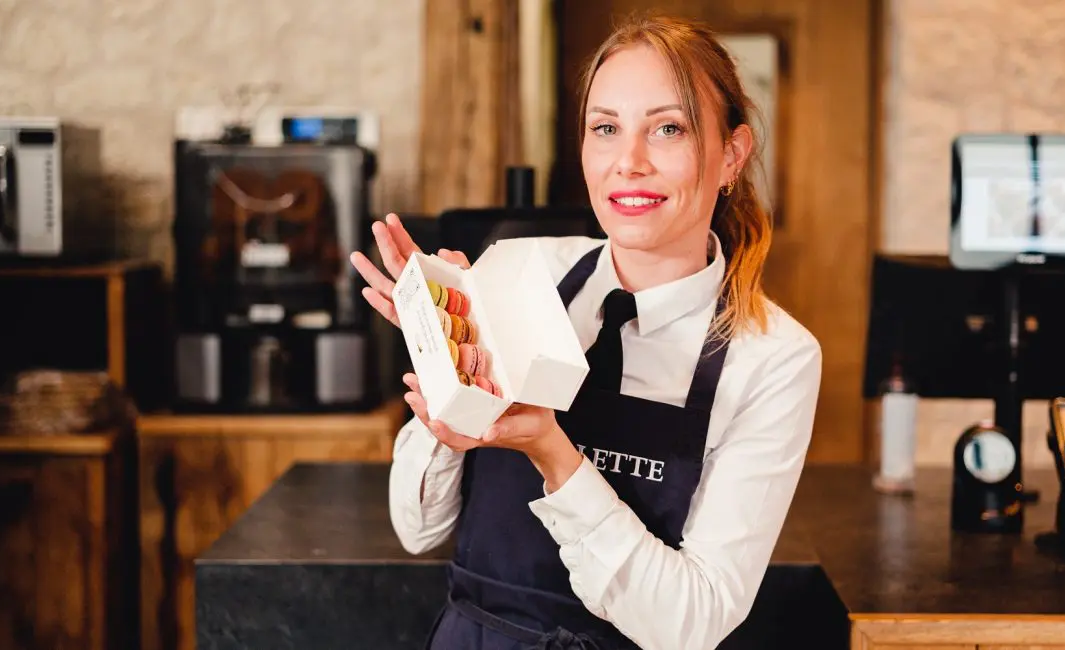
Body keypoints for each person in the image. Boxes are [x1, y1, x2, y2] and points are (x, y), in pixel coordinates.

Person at [349, 14, 822, 650]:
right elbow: (417, 530)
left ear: (731, 155)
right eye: (606, 128)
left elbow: (692, 623)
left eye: (668, 128)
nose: (629, 162)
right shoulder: (521, 271)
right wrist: (448, 371)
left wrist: (553, 452)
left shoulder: (773, 357)